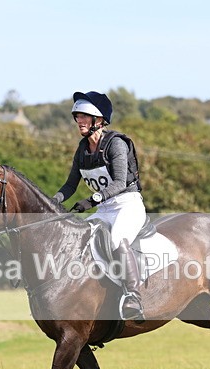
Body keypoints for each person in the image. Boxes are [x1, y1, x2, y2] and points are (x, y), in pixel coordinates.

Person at [53, 91, 146, 323]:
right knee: (77, 241)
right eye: (78, 117)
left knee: (116, 240)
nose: (80, 121)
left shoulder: (116, 144)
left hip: (127, 205)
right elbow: (70, 185)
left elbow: (120, 182)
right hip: (104, 209)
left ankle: (134, 295)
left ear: (99, 120)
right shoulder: (83, 149)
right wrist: (51, 202)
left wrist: (92, 200)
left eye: (85, 117)